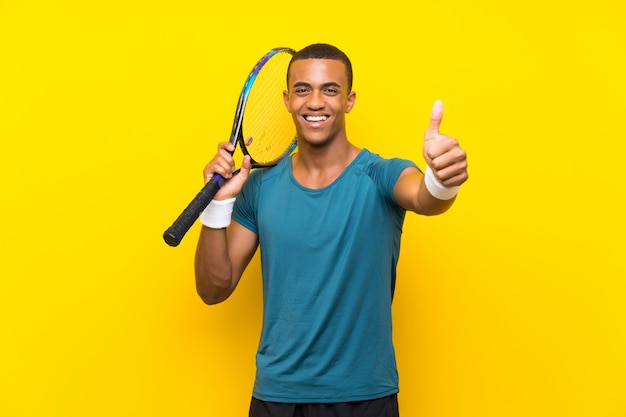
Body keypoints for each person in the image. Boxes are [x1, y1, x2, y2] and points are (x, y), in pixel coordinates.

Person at [194, 43, 468, 417]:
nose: (315, 102)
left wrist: (442, 180)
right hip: (277, 396)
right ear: (288, 100)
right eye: (304, 90)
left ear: (350, 100)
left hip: (365, 397)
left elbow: (424, 198)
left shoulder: (380, 174)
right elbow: (213, 289)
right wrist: (217, 205)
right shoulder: (259, 187)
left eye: (330, 89)